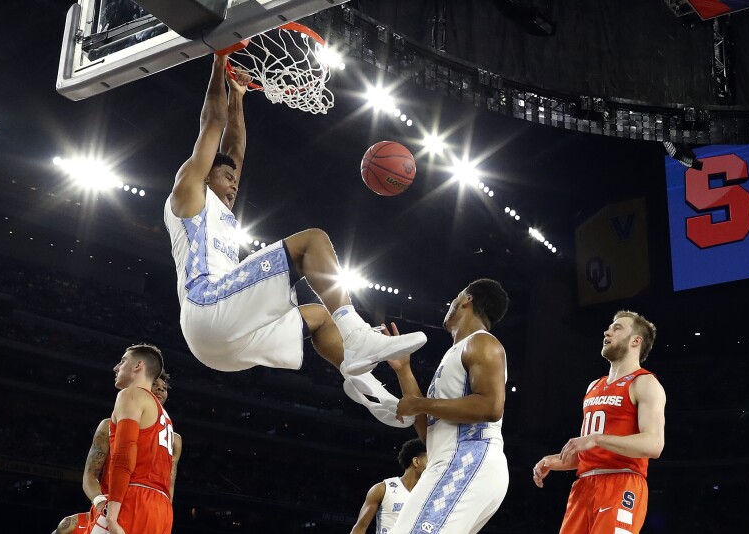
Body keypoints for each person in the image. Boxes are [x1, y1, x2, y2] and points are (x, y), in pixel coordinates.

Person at [162, 54, 425, 425]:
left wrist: (239, 94)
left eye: (236, 179)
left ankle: (370, 390)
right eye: (226, 176)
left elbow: (234, 150)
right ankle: (359, 335)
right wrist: (219, 62)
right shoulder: (188, 194)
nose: (234, 182)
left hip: (223, 345)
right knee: (312, 241)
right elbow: (213, 123)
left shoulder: (222, 210)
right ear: (204, 175)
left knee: (319, 316)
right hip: (206, 304)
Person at [386, 278, 510, 534]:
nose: (452, 302)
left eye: (456, 295)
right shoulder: (453, 353)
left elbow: (490, 406)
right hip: (445, 460)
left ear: (467, 299)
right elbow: (428, 432)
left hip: (469, 456)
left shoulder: (482, 343)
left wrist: (420, 402)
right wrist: (404, 371)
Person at [532, 311, 666, 534]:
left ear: (636, 341)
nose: (607, 331)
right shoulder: (593, 386)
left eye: (617, 328)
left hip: (622, 482)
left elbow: (654, 445)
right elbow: (590, 452)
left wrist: (596, 439)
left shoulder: (644, 382)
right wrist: (553, 460)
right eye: (609, 327)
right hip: (584, 485)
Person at [52, 373, 182, 534]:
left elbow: (169, 484)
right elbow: (90, 475)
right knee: (67, 526)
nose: (160, 389)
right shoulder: (108, 426)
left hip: (152, 510)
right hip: (114, 504)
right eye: (155, 384)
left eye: (164, 388)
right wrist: (101, 503)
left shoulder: (174, 439)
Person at [85, 344, 175, 534]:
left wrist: (112, 514)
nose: (116, 367)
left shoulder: (131, 394)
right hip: (162, 509)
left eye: (123, 361)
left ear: (138, 366)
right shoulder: (165, 418)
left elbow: (124, 454)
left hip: (131, 500)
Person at [350, 439, 428, 534]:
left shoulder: (428, 494)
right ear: (416, 461)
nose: (433, 465)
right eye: (429, 460)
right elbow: (360, 528)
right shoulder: (383, 489)